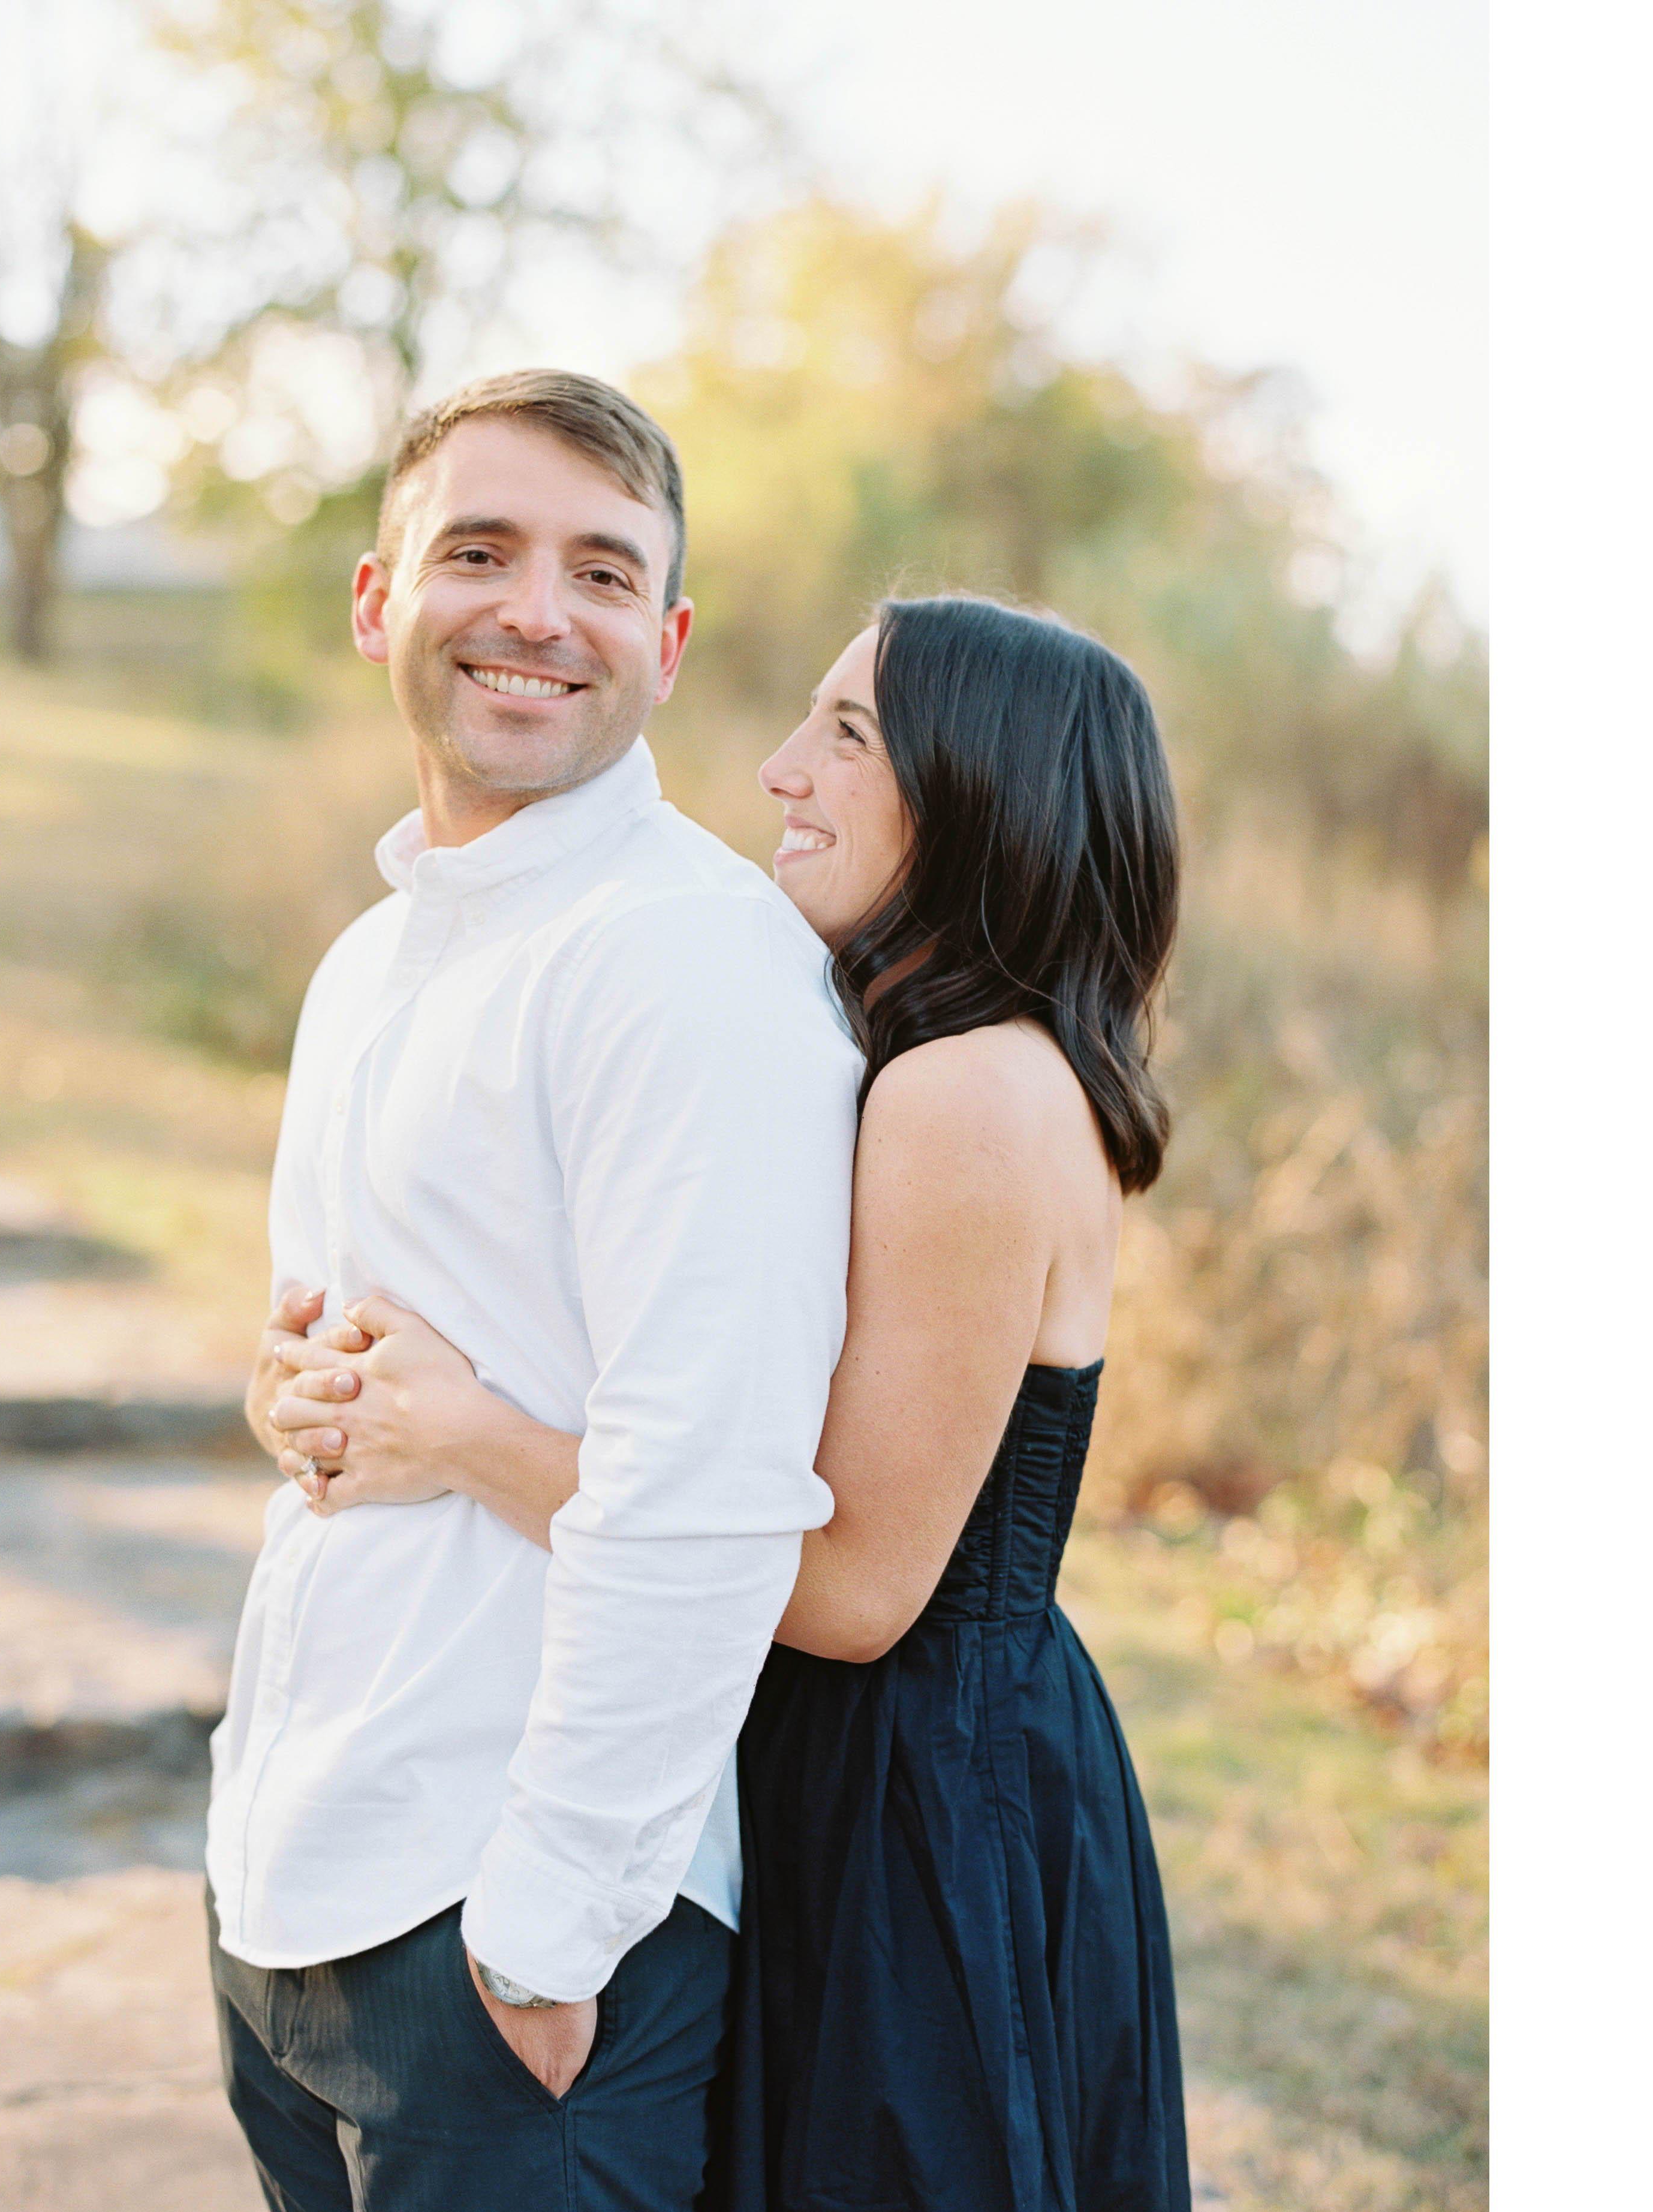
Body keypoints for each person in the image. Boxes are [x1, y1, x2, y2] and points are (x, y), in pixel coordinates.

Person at [266, 594, 1195, 2210]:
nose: (777, 771)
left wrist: (462, 1436)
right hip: (898, 1761)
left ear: (977, 789)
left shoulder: (964, 1096)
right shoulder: (944, 1060)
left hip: (913, 1797)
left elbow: (852, 1591)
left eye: (845, 733)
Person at [206, 368, 865, 2212]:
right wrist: (293, 1399)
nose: (532, 610)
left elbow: (711, 1485)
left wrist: (550, 1936)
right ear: (375, 599)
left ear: (660, 639)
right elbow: (337, 1341)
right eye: (477, 550)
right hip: (291, 1870)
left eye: (597, 572)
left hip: (504, 1925)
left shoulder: (682, 960)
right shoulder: (369, 961)